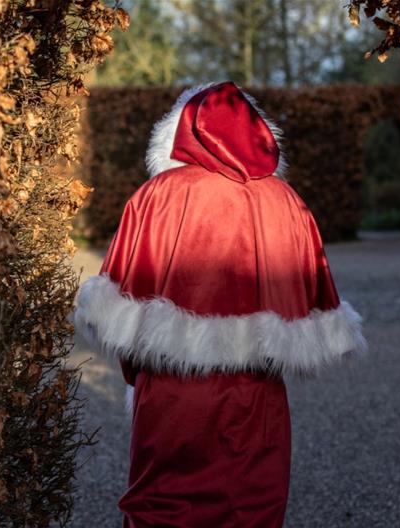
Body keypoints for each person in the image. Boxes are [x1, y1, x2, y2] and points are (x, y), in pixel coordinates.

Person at [74, 81, 366, 528]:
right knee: (251, 507)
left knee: (160, 506)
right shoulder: (286, 202)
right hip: (256, 396)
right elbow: (317, 300)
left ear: (180, 132)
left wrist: (138, 378)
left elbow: (120, 299)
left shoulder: (156, 196)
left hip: (169, 394)